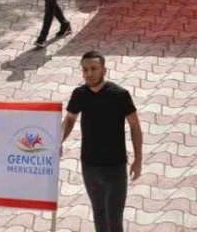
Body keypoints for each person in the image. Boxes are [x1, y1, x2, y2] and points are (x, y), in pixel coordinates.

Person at [61, 51, 143, 232]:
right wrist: (58, 141)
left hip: (115, 166)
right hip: (89, 165)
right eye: (85, 70)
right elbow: (69, 120)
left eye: (93, 69)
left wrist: (138, 160)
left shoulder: (120, 95)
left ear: (104, 70)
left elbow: (135, 126)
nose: (89, 74)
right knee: (99, 215)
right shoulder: (80, 94)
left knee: (114, 219)